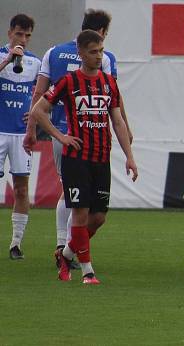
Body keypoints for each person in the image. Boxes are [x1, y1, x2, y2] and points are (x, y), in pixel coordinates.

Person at [30, 29, 137, 284]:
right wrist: (61, 136)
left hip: (101, 157)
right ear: (81, 53)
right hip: (76, 157)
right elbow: (39, 110)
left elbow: (118, 122)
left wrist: (130, 157)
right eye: (93, 52)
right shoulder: (68, 81)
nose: (98, 56)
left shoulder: (109, 83)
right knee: (80, 212)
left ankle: (66, 253)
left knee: (98, 217)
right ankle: (88, 271)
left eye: (101, 51)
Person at [0, 14, 39, 260]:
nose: (22, 40)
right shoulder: (2, 56)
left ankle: (16, 244)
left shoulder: (35, 62)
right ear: (9, 33)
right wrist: (7, 61)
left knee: (22, 190)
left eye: (27, 36)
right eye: (19, 34)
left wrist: (33, 115)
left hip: (20, 134)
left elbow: (43, 93)